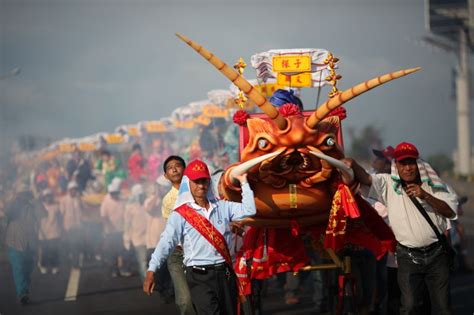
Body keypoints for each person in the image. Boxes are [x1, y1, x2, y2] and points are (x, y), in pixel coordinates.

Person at [345, 141, 457, 314]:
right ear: (396, 165)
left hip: (436, 255)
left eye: (410, 163)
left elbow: (449, 212)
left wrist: (425, 195)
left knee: (442, 307)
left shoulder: (434, 186)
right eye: (402, 163)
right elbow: (366, 178)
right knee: (410, 306)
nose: (407, 168)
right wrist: (352, 163)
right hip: (407, 256)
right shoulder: (388, 184)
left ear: (418, 164)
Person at [144, 159, 256, 315]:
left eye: (204, 181)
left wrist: (244, 182)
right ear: (188, 183)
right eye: (196, 181)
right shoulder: (180, 214)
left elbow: (250, 209)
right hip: (199, 277)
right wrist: (151, 270)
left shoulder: (222, 206)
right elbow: (166, 242)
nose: (201, 186)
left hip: (225, 274)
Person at [160, 155, 194, 314]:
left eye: (178, 165)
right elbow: (170, 231)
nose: (174, 169)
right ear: (166, 176)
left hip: (201, 250)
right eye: (169, 167)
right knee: (185, 300)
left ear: (185, 170)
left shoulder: (199, 189)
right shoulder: (168, 200)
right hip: (178, 253)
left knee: (205, 297)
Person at [5, 190, 46, 305]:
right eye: (22, 195)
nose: (24, 198)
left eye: (27, 195)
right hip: (15, 243)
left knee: (28, 270)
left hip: (30, 244)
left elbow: (44, 214)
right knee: (18, 269)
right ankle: (22, 293)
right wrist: (12, 199)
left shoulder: (33, 206)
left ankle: (24, 291)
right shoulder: (13, 207)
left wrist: (37, 200)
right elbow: (7, 211)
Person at [100, 178, 126, 277]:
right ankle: (114, 270)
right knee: (112, 252)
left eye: (116, 193)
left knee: (122, 251)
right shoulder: (106, 201)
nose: (114, 195)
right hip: (111, 232)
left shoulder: (122, 200)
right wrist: (108, 227)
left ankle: (122, 268)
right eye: (113, 193)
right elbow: (103, 217)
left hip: (121, 230)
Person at [123, 184, 149, 281]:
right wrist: (126, 239)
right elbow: (127, 225)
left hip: (151, 238)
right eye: (139, 195)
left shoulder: (148, 204)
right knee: (142, 262)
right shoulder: (130, 208)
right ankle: (147, 282)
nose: (142, 196)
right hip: (138, 239)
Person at [59, 181, 84, 268]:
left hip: (78, 226)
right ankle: (72, 262)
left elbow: (82, 211)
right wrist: (62, 227)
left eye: (75, 189)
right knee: (71, 245)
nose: (74, 191)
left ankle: (76, 262)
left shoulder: (79, 199)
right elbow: (61, 214)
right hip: (68, 227)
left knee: (76, 245)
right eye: (72, 190)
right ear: (69, 190)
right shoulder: (64, 200)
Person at [38, 189, 61, 275]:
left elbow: (60, 218)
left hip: (54, 233)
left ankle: (55, 266)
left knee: (54, 250)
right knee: (44, 251)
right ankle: (43, 266)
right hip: (43, 234)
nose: (48, 198)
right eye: (46, 196)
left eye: (49, 196)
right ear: (43, 198)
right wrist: (40, 232)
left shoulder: (56, 207)